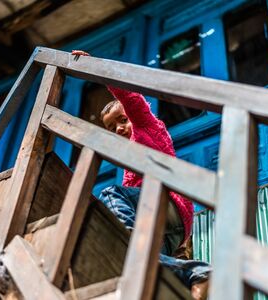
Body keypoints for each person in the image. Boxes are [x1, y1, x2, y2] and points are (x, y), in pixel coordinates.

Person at [72, 50, 211, 299]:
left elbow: (130, 97)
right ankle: (196, 273)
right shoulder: (128, 161)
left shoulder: (148, 128)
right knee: (149, 268)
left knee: (110, 194)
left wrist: (97, 67)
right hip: (166, 227)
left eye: (122, 120)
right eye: (112, 128)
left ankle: (128, 241)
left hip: (168, 204)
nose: (119, 128)